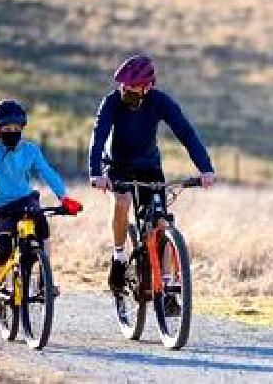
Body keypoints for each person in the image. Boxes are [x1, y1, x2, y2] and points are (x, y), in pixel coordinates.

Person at [89, 54, 215, 291]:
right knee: (122, 201)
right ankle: (118, 257)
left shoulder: (160, 102)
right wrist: (96, 172)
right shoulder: (111, 103)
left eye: (133, 86)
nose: (126, 90)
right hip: (116, 166)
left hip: (149, 166)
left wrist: (205, 168)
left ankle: (165, 288)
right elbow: (99, 136)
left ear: (148, 87)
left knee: (160, 223)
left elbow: (186, 133)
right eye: (123, 85)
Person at [0, 99, 82, 309]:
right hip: (1, 204)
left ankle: (45, 281)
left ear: (23, 127)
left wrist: (64, 198)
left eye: (16, 128)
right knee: (4, 247)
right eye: (6, 128)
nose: (12, 131)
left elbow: (47, 173)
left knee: (42, 229)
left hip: (26, 199)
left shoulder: (31, 150)